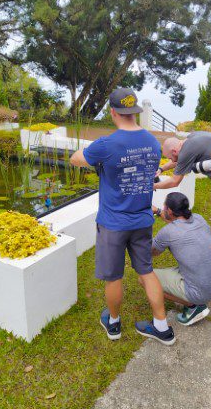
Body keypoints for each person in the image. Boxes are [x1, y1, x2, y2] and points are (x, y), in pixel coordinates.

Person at [70, 88, 176, 346]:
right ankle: (162, 326)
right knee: (146, 271)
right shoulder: (152, 142)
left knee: (114, 276)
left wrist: (99, 162)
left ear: (113, 112)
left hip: (113, 223)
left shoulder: (107, 144)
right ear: (135, 112)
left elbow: (75, 159)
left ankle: (114, 323)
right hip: (142, 220)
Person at [150, 192, 211, 326]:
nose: (163, 207)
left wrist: (146, 226)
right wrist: (157, 211)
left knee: (146, 279)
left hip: (201, 292)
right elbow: (175, 220)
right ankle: (195, 298)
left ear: (169, 210)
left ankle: (194, 306)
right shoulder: (198, 218)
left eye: (164, 206)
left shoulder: (167, 232)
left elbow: (152, 252)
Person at [154, 132, 211, 256]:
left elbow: (175, 181)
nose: (170, 160)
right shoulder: (190, 140)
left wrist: (153, 186)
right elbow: (177, 161)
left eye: (170, 157)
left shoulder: (185, 152)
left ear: (174, 151)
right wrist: (161, 169)